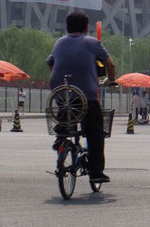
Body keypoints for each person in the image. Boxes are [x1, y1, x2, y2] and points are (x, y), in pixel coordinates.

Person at [47, 11, 116, 184]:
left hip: (61, 92)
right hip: (87, 95)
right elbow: (110, 63)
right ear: (86, 28)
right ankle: (96, 172)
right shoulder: (92, 43)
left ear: (67, 27)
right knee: (95, 132)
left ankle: (61, 137)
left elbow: (51, 63)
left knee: (66, 113)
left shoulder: (59, 42)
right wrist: (111, 80)